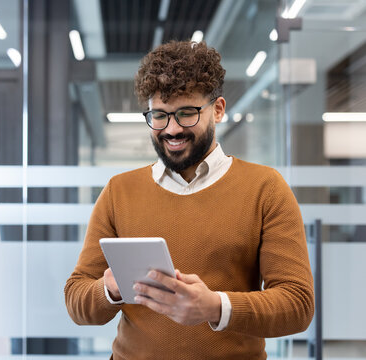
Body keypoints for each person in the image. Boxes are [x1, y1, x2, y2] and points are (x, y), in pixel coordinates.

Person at [64, 40, 314, 360]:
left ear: (218, 109)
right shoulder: (119, 191)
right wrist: (109, 289)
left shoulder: (265, 188)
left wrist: (215, 307)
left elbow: (298, 304)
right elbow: (76, 300)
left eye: (186, 113)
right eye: (159, 115)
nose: (171, 129)